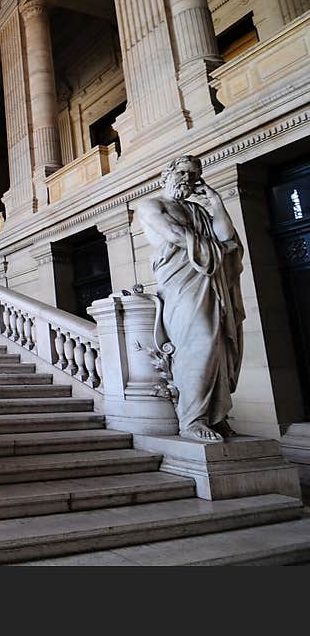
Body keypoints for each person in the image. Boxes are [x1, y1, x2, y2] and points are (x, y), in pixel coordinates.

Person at [135, 154, 245, 443]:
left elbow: (224, 233)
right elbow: (175, 236)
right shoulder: (151, 205)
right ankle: (192, 419)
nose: (188, 180)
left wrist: (216, 202)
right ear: (167, 173)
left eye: (194, 175)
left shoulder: (198, 210)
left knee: (218, 344)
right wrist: (221, 249)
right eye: (183, 173)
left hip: (209, 282)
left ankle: (216, 415)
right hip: (181, 285)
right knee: (201, 341)